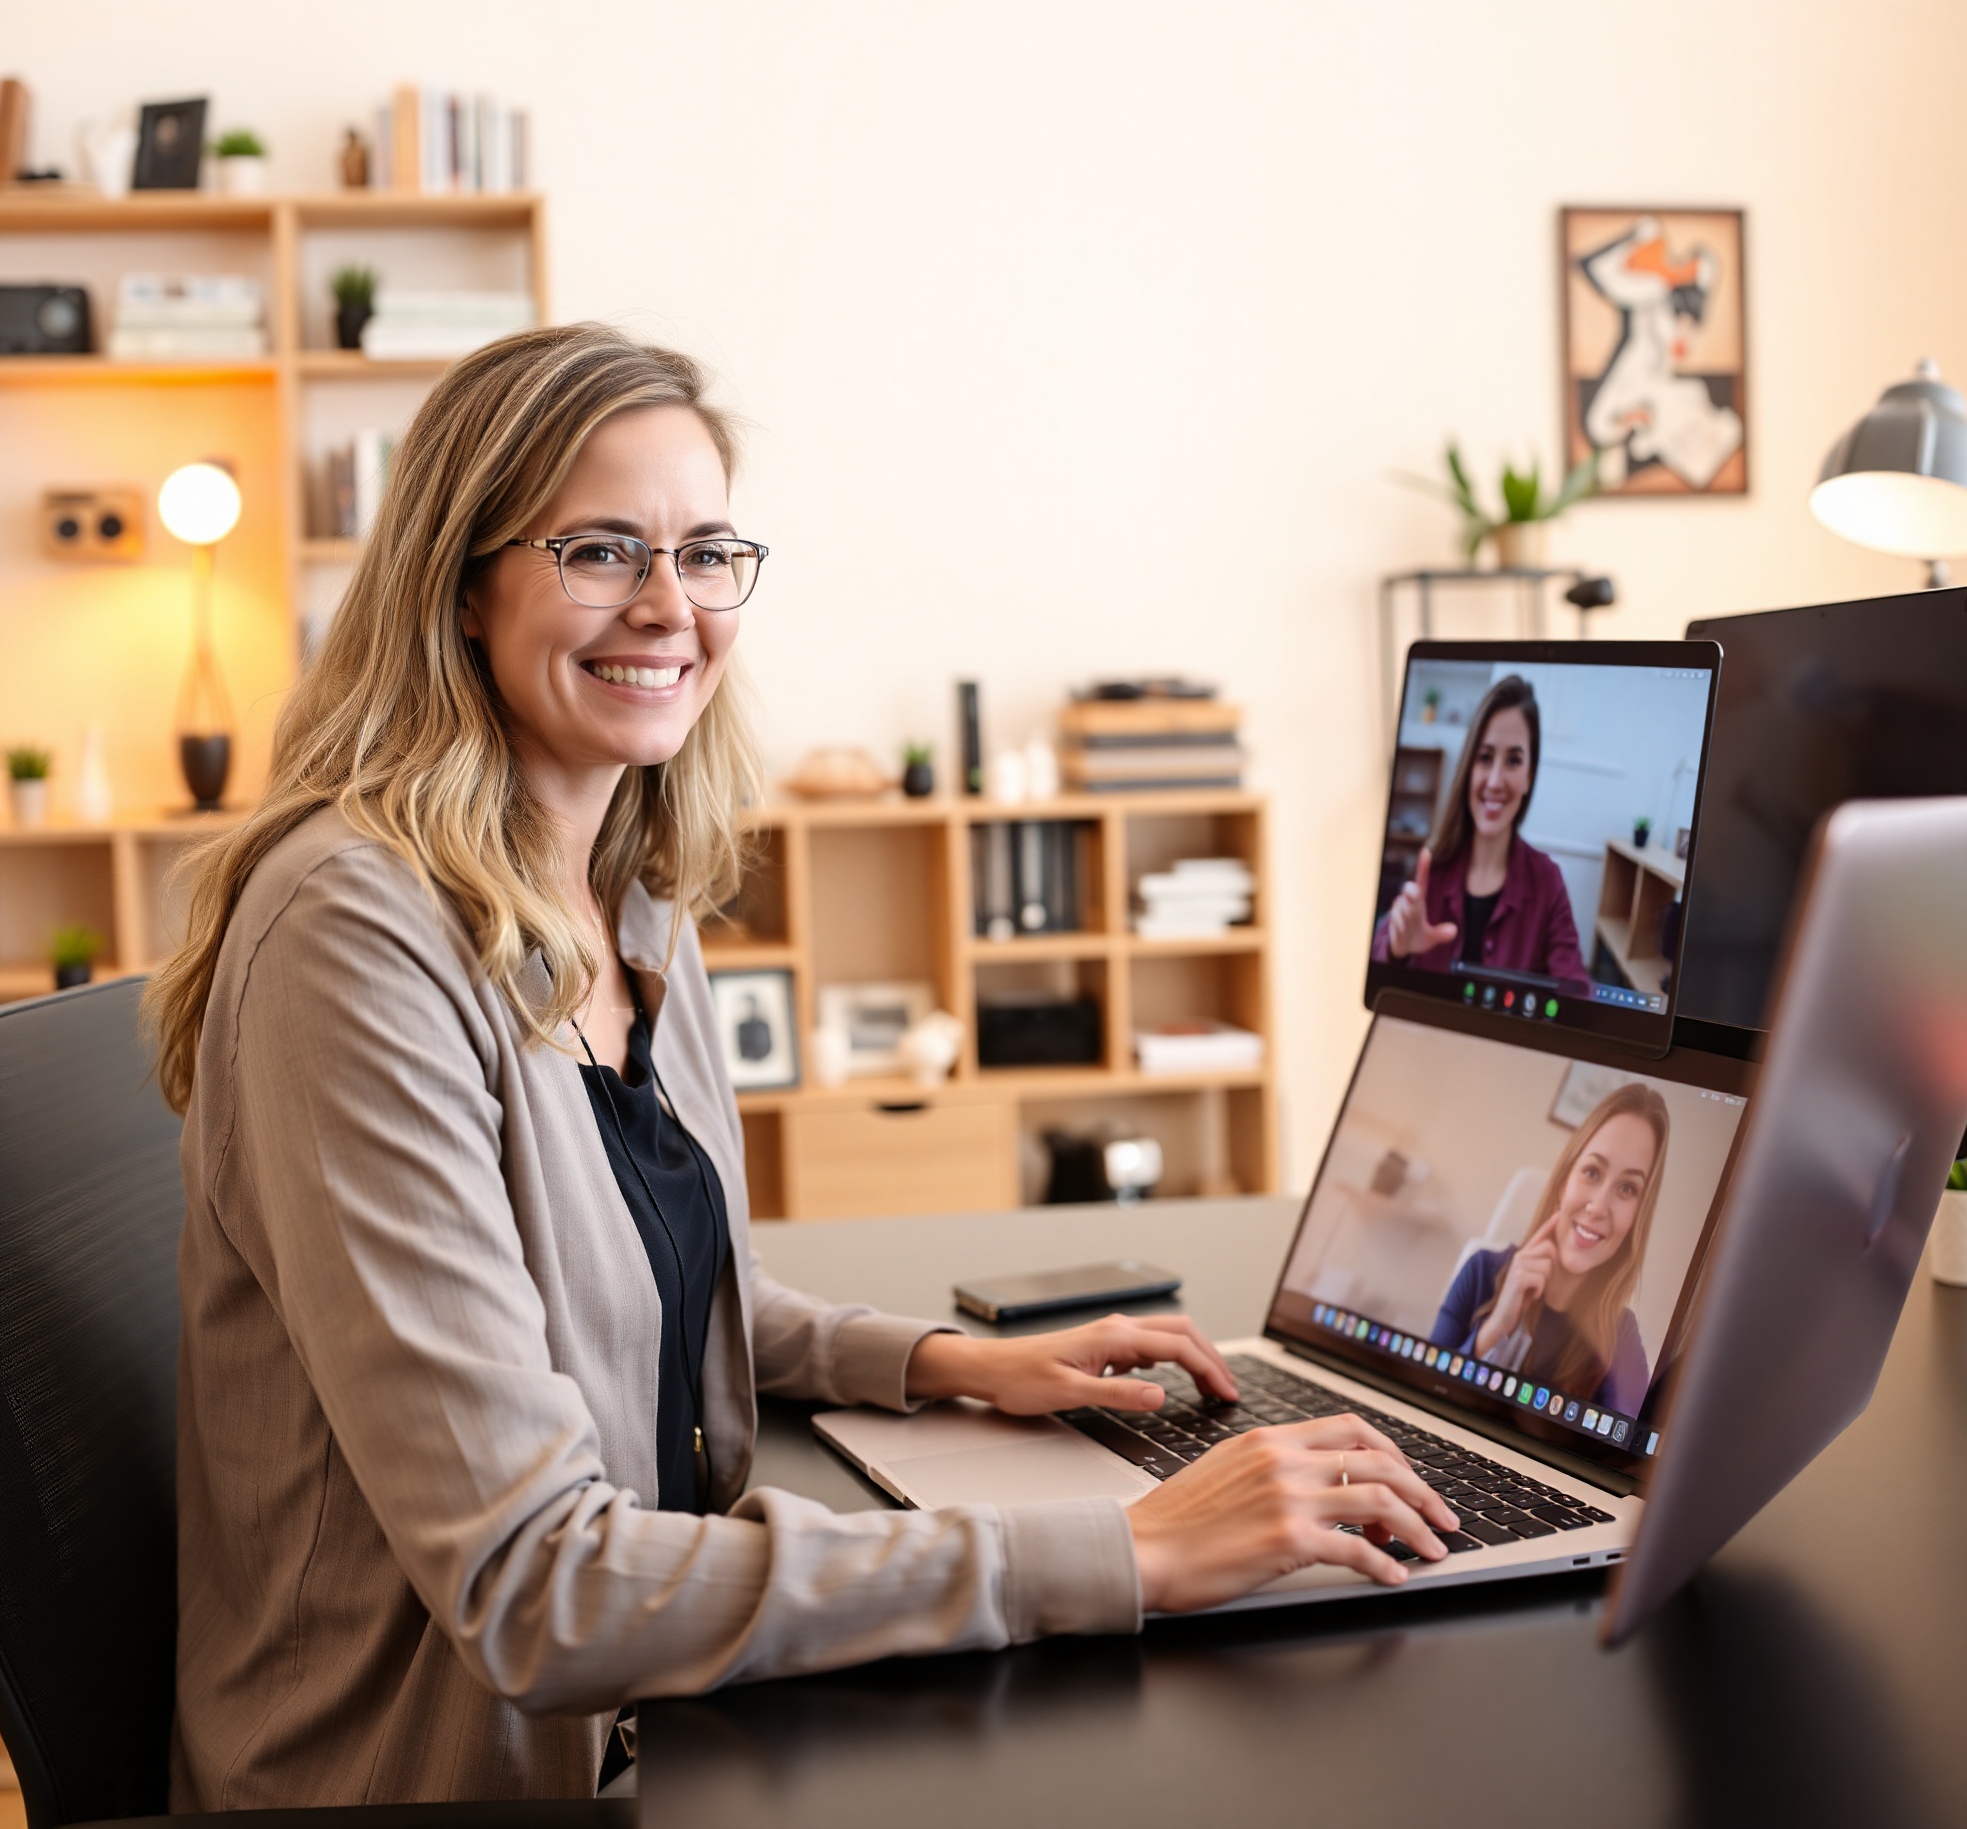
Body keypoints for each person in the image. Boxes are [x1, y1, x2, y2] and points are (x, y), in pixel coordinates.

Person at [148, 324, 1457, 1810]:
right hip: (429, 1775)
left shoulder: (632, 885)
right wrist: (1128, 1550)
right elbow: (531, 1585)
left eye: (706, 552)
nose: (668, 606)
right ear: (460, 584)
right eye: (597, 550)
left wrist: (953, 1366)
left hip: (645, 1706)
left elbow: (635, 1290)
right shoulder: (354, 937)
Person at [1425, 1082, 1668, 1417]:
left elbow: (1620, 1458)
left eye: (1627, 1188)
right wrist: (1497, 1327)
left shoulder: (1621, 1337)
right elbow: (1422, 1399)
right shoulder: (1480, 1271)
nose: (1598, 1207)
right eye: (1592, 1172)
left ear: (1636, 1219)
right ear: (1562, 1183)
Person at [1372, 674, 1589, 988]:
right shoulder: (1428, 871)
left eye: (1513, 761)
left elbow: (1576, 991)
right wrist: (1397, 949)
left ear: (1529, 776)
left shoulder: (1547, 881)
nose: (1495, 781)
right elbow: (1378, 973)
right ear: (1468, 767)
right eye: (1485, 758)